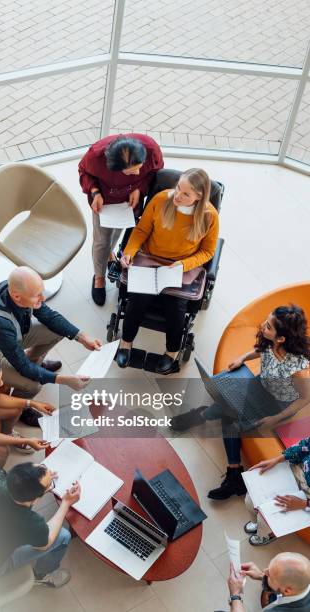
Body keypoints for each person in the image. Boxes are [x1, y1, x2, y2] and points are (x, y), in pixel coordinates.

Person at [171, 304, 310, 500]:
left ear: (281, 338)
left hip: (278, 404)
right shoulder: (271, 341)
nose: (263, 326)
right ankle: (234, 473)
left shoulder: (297, 366)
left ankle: (202, 416)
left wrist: (274, 418)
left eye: (269, 326)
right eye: (266, 321)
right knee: (229, 408)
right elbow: (261, 350)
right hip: (259, 385)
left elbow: (305, 398)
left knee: (230, 416)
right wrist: (242, 358)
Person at [0, 266, 101, 424]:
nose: (43, 298)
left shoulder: (15, 289)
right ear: (17, 297)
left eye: (42, 292)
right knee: (33, 385)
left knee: (56, 330)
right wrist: (64, 380)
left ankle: (36, 363)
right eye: (37, 295)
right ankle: (21, 410)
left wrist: (82, 337)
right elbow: (22, 366)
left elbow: (49, 316)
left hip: (9, 337)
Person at [115, 167, 219, 374]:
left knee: (176, 308)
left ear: (199, 197)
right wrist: (129, 252)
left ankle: (172, 351)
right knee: (137, 299)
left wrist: (183, 265)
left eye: (186, 194)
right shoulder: (162, 199)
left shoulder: (210, 216)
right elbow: (142, 229)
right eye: (178, 188)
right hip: (150, 257)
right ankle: (126, 343)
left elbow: (208, 252)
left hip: (181, 266)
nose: (177, 196)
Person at [0, 462, 80, 588]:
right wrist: (66, 503)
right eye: (49, 486)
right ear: (35, 499)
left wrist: (36, 476)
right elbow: (46, 544)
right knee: (63, 536)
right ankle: (41, 575)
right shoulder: (29, 523)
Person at [78, 133, 163, 306]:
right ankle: (99, 278)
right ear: (113, 167)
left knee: (118, 231)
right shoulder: (95, 156)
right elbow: (84, 172)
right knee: (102, 240)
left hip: (130, 201)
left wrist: (140, 188)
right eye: (132, 171)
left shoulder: (151, 149)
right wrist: (95, 192)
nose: (138, 172)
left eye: (139, 167)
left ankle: (109, 254)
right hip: (103, 201)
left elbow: (155, 172)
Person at [242, 437, 310, 546]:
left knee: (266, 518)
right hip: (295, 471)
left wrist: (303, 504)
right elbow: (304, 446)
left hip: (307, 497)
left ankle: (265, 535)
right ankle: (256, 523)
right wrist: (277, 459)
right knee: (251, 499)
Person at [224, 552, 310, 611]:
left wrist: (235, 594)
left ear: (287, 591)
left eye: (269, 575)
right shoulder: (300, 584)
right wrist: (262, 576)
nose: (264, 571)